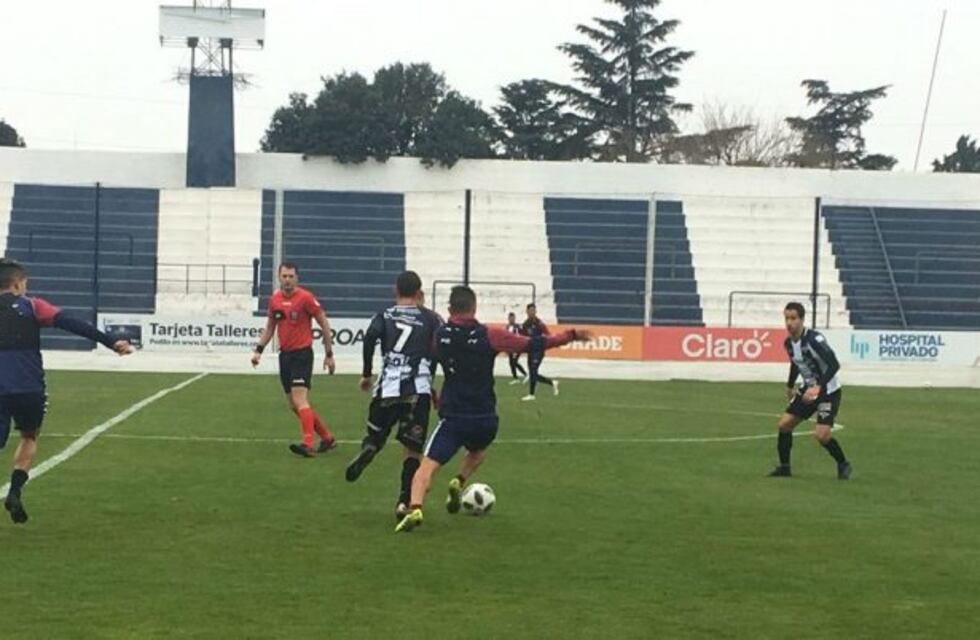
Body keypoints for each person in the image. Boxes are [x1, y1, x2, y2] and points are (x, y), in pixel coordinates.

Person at [395, 285, 590, 533]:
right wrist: (570, 335)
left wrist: (433, 393)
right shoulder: (489, 335)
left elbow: (426, 363)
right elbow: (532, 344)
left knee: (427, 467)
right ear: (474, 308)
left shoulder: (440, 336)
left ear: (449, 309)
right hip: (485, 417)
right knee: (477, 452)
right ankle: (459, 480)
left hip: (453, 417)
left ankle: (415, 508)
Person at [0, 258, 133, 524]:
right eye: (25, 283)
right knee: (29, 435)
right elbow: (71, 322)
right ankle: (14, 491)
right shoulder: (32, 306)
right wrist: (110, 342)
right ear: (16, 283)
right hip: (29, 387)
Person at [346, 271, 442, 520]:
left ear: (395, 291)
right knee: (412, 449)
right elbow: (437, 351)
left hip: (387, 386)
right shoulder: (432, 319)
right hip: (417, 389)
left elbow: (369, 338)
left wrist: (367, 373)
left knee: (375, 435)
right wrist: (430, 381)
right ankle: (404, 502)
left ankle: (370, 448)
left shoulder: (384, 315)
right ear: (420, 292)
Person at [251, 262, 337, 458]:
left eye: (291, 276)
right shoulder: (275, 300)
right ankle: (326, 437)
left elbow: (323, 322)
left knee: (300, 400)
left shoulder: (305, 298)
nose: (287, 280)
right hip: (285, 356)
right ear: (279, 277)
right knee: (293, 405)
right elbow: (270, 326)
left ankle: (307, 443)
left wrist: (329, 354)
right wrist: (258, 350)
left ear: (297, 278)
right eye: (284, 276)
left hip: (302, 354)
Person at [769, 302, 852, 480]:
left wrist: (819, 386)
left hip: (828, 391)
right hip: (808, 389)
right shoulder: (789, 343)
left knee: (821, 436)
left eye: (793, 318)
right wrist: (790, 385)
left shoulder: (814, 339)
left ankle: (843, 463)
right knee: (784, 425)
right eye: (786, 318)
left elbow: (834, 364)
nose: (789, 323)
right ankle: (784, 467)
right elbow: (796, 363)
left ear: (802, 319)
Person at [520, 303, 559, 401]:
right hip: (531, 350)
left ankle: (531, 394)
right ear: (527, 312)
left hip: (538, 351)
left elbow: (548, 335)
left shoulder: (539, 323)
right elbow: (522, 337)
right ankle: (552, 383)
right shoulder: (525, 324)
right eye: (530, 310)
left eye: (534, 310)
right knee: (533, 373)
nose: (532, 312)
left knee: (533, 371)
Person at [505, 312, 527, 385]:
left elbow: (521, 334)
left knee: (514, 362)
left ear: (514, 318)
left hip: (516, 347)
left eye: (512, 318)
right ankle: (515, 378)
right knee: (511, 362)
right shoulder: (507, 327)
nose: (511, 319)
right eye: (510, 318)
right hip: (510, 347)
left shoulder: (517, 327)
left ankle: (525, 374)